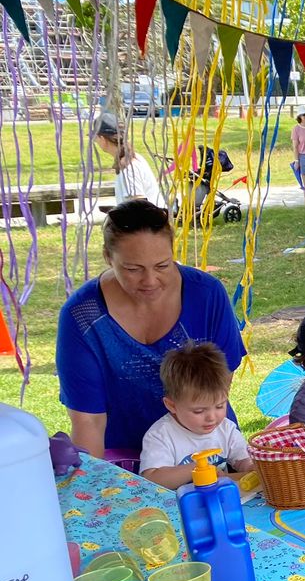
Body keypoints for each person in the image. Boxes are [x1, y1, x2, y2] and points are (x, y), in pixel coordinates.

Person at [57, 199, 245, 457]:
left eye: (162, 265)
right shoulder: (82, 316)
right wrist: (92, 487)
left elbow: (219, 385)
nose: (150, 280)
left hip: (208, 451)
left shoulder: (207, 294)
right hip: (123, 462)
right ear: (108, 258)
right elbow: (88, 421)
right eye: (133, 269)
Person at [140, 342, 254, 489]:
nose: (212, 417)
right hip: (178, 507)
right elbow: (152, 479)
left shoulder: (226, 428)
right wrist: (196, 469)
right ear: (172, 405)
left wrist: (251, 467)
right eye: (199, 411)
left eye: (219, 406)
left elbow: (242, 460)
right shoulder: (161, 435)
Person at [92, 114, 166, 208]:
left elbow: (140, 209)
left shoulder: (129, 169)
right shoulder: (133, 159)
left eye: (95, 138)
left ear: (102, 139)